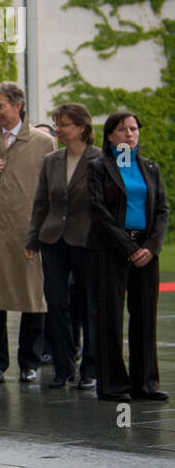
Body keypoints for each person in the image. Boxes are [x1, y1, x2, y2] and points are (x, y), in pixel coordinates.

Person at [88, 111, 168, 402]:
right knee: (110, 316)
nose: (130, 134)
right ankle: (113, 385)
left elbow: (161, 211)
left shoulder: (149, 167)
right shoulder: (99, 167)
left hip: (147, 250)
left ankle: (145, 383)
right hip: (111, 250)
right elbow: (99, 212)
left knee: (145, 316)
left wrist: (151, 247)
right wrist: (130, 248)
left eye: (134, 129)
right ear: (110, 136)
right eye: (122, 130)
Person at [0, 81, 54, 383]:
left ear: (18, 105)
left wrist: (41, 231)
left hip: (28, 233)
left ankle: (30, 363)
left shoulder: (43, 142)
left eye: (0, 106)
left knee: (32, 299)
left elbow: (50, 190)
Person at [24, 103, 102, 389]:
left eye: (64, 124)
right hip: (53, 241)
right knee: (56, 305)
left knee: (87, 306)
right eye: (56, 123)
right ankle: (63, 367)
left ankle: (90, 369)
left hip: (87, 242)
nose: (58, 128)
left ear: (82, 127)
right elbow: (41, 203)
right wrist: (32, 240)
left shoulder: (100, 159)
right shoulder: (52, 160)